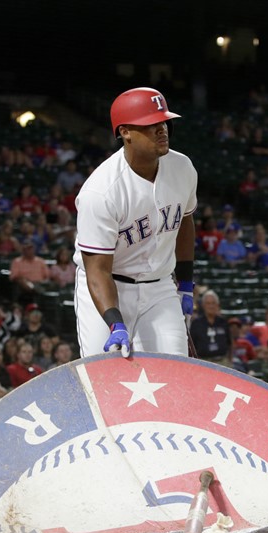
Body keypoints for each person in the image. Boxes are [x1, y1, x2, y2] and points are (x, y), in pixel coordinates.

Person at [73, 87, 196, 359]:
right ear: (125, 132)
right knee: (104, 378)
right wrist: (115, 322)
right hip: (108, 287)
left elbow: (185, 222)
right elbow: (97, 271)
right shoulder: (101, 192)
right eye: (151, 125)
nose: (162, 129)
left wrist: (186, 283)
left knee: (175, 373)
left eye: (164, 121)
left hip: (160, 286)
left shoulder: (183, 168)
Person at [189, 289, 231, 365]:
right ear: (203, 305)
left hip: (223, 362)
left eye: (213, 303)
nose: (211, 306)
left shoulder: (223, 322)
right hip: (203, 362)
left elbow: (230, 343)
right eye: (208, 303)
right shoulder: (196, 323)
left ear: (217, 305)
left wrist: (230, 360)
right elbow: (191, 345)